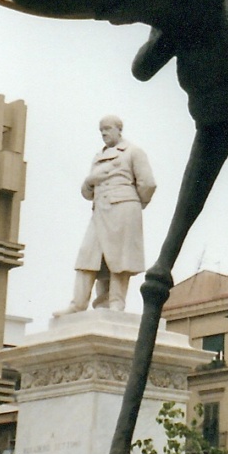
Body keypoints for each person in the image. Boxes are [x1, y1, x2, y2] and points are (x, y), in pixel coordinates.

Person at [59, 115, 156, 313]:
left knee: (119, 259)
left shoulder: (133, 152)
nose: (104, 133)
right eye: (101, 129)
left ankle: (115, 304)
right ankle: (78, 304)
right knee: (88, 256)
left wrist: (134, 204)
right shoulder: (98, 157)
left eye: (108, 128)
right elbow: (88, 194)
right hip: (99, 212)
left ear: (119, 129)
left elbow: (148, 183)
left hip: (123, 210)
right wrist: (90, 180)